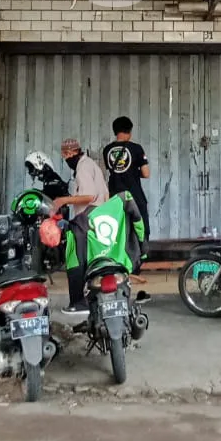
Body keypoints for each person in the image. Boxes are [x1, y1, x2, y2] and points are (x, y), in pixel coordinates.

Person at [49, 138, 108, 320]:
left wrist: (63, 200)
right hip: (98, 217)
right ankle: (90, 299)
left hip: (86, 218)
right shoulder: (90, 165)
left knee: (74, 258)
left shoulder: (83, 168)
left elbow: (89, 196)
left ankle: (78, 302)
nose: (66, 158)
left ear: (71, 153)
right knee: (91, 261)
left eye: (66, 155)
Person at [102, 117, 151, 246]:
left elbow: (111, 171)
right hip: (134, 194)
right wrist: (133, 172)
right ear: (129, 131)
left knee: (119, 228)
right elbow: (146, 173)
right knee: (141, 226)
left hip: (115, 195)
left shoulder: (107, 150)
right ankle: (142, 250)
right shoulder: (136, 148)